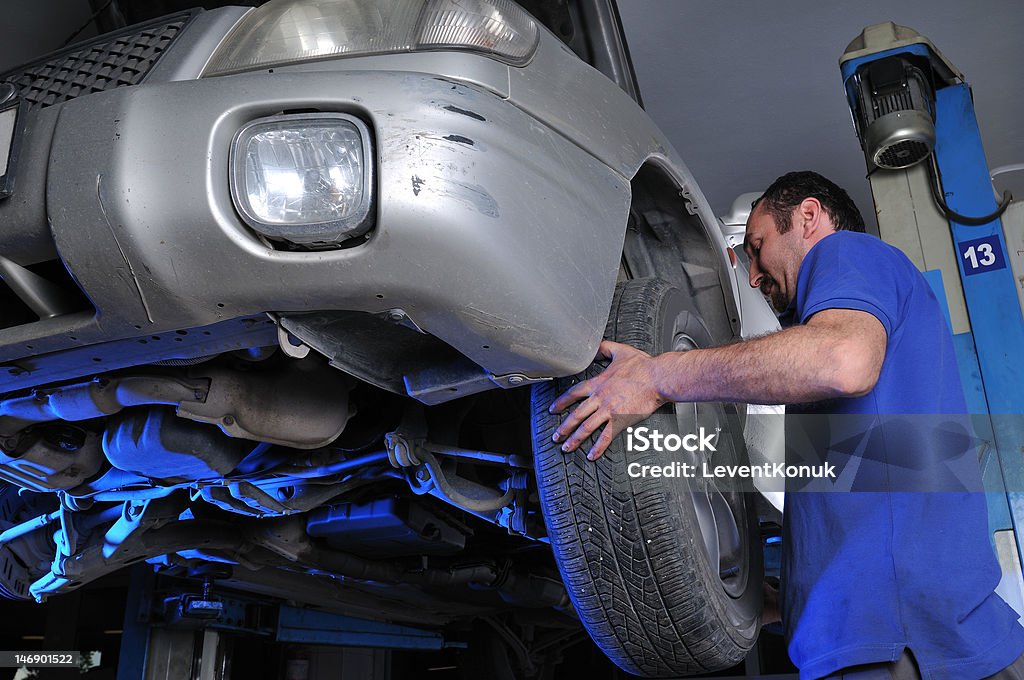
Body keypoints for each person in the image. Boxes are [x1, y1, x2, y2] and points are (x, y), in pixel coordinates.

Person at [549, 171, 1024, 679]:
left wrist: (657, 376)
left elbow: (843, 360)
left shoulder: (845, 252)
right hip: (906, 642)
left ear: (809, 217)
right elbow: (867, 498)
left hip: (903, 649)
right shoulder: (867, 413)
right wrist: (789, 602)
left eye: (757, 246)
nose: (753, 275)